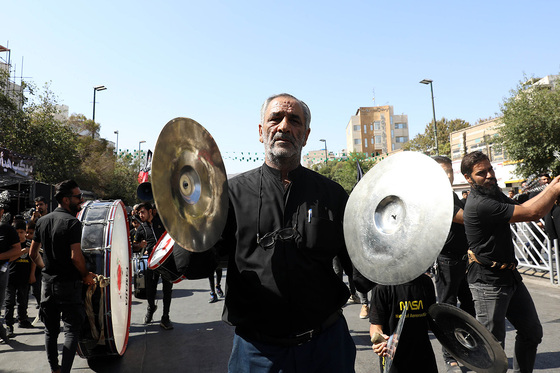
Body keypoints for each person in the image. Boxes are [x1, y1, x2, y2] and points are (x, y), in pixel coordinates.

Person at [215, 93, 355, 372]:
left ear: (305, 135)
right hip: (256, 353)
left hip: (326, 349)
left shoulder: (333, 195)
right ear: (260, 131)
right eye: (275, 118)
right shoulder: (230, 194)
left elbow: (362, 267)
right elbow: (197, 263)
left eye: (294, 121)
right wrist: (185, 222)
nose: (284, 126)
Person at [461, 151, 560, 373]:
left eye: (490, 169)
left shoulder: (492, 193)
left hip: (509, 276)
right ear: (468, 178)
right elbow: (533, 213)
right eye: (481, 173)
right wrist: (553, 190)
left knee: (532, 332)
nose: (489, 175)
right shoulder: (479, 203)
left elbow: (524, 208)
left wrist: (550, 188)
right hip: (488, 283)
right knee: (492, 349)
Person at [29, 179, 96, 373]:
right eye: (78, 197)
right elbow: (76, 257)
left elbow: (33, 254)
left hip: (47, 286)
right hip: (68, 285)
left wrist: (47, 268)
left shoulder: (41, 221)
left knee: (50, 331)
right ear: (66, 200)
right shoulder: (72, 222)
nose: (81, 200)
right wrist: (85, 275)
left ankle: (54, 369)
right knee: (71, 331)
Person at [432, 155, 475, 372]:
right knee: (448, 308)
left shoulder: (451, 194)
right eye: (443, 171)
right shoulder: (437, 196)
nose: (448, 175)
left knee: (469, 306)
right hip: (446, 261)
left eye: (450, 171)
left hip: (463, 260)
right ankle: (450, 354)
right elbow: (465, 218)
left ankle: (469, 348)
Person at [369, 273, 438, 373]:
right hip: (393, 357)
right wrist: (380, 340)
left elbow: (431, 321)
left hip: (423, 355)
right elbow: (375, 325)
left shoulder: (425, 282)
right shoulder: (382, 286)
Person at [134, 202, 173, 330]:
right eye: (139, 213)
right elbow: (134, 245)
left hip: (167, 262)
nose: (141, 215)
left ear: (150, 211)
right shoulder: (141, 228)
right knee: (150, 290)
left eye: (143, 212)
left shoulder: (162, 222)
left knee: (168, 290)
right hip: (151, 264)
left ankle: (165, 317)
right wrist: (139, 246)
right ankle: (151, 307)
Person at [4, 220, 36, 338]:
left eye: (22, 232)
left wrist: (32, 274)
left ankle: (22, 319)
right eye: (16, 232)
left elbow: (34, 260)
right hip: (10, 277)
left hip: (24, 277)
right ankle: (8, 325)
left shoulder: (29, 244)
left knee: (23, 300)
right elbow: (7, 260)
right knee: (9, 302)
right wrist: (20, 253)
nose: (19, 235)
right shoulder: (10, 246)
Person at [0, 203, 23, 343]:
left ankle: (4, 333)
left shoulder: (7, 230)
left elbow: (16, 251)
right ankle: (3, 334)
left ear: (1, 211)